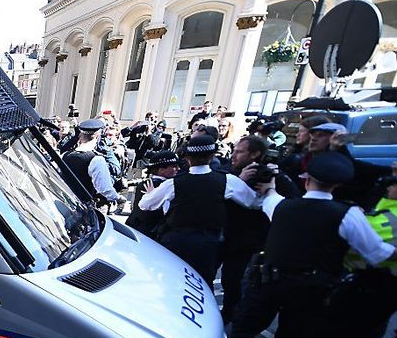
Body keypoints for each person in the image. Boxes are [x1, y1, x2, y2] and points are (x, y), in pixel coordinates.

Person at [227, 153, 397, 338]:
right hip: (312, 288)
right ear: (337, 185)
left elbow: (269, 199)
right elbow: (375, 253)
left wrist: (271, 184)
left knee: (243, 331)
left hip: (269, 282)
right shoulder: (348, 214)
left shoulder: (282, 206)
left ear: (307, 180)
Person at [297, 175, 397, 338]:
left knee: (334, 334)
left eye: (396, 183)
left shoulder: (393, 215)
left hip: (380, 284)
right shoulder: (386, 208)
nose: (390, 185)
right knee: (334, 329)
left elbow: (369, 246)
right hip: (367, 280)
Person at [138, 135, 257, 288]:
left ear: (187, 158)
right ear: (211, 156)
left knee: (171, 284)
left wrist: (149, 194)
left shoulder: (174, 183)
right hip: (207, 244)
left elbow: (145, 204)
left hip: (175, 241)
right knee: (201, 286)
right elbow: (253, 202)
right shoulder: (227, 180)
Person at [220, 136, 301, 321]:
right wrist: (237, 178)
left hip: (257, 244)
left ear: (255, 154)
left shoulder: (274, 177)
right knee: (230, 282)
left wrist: (272, 188)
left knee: (248, 287)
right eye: (234, 150)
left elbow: (294, 203)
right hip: (231, 241)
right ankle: (228, 313)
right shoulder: (230, 172)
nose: (234, 155)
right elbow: (216, 192)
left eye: (239, 152)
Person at [61, 119, 119, 205]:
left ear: (80, 136)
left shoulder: (65, 155)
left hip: (63, 202)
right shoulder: (96, 159)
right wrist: (117, 197)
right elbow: (105, 189)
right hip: (81, 207)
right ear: (97, 136)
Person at [126, 150, 178, 239]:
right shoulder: (164, 186)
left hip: (136, 228)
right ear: (161, 170)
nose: (178, 169)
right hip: (149, 233)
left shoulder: (145, 183)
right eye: (174, 166)